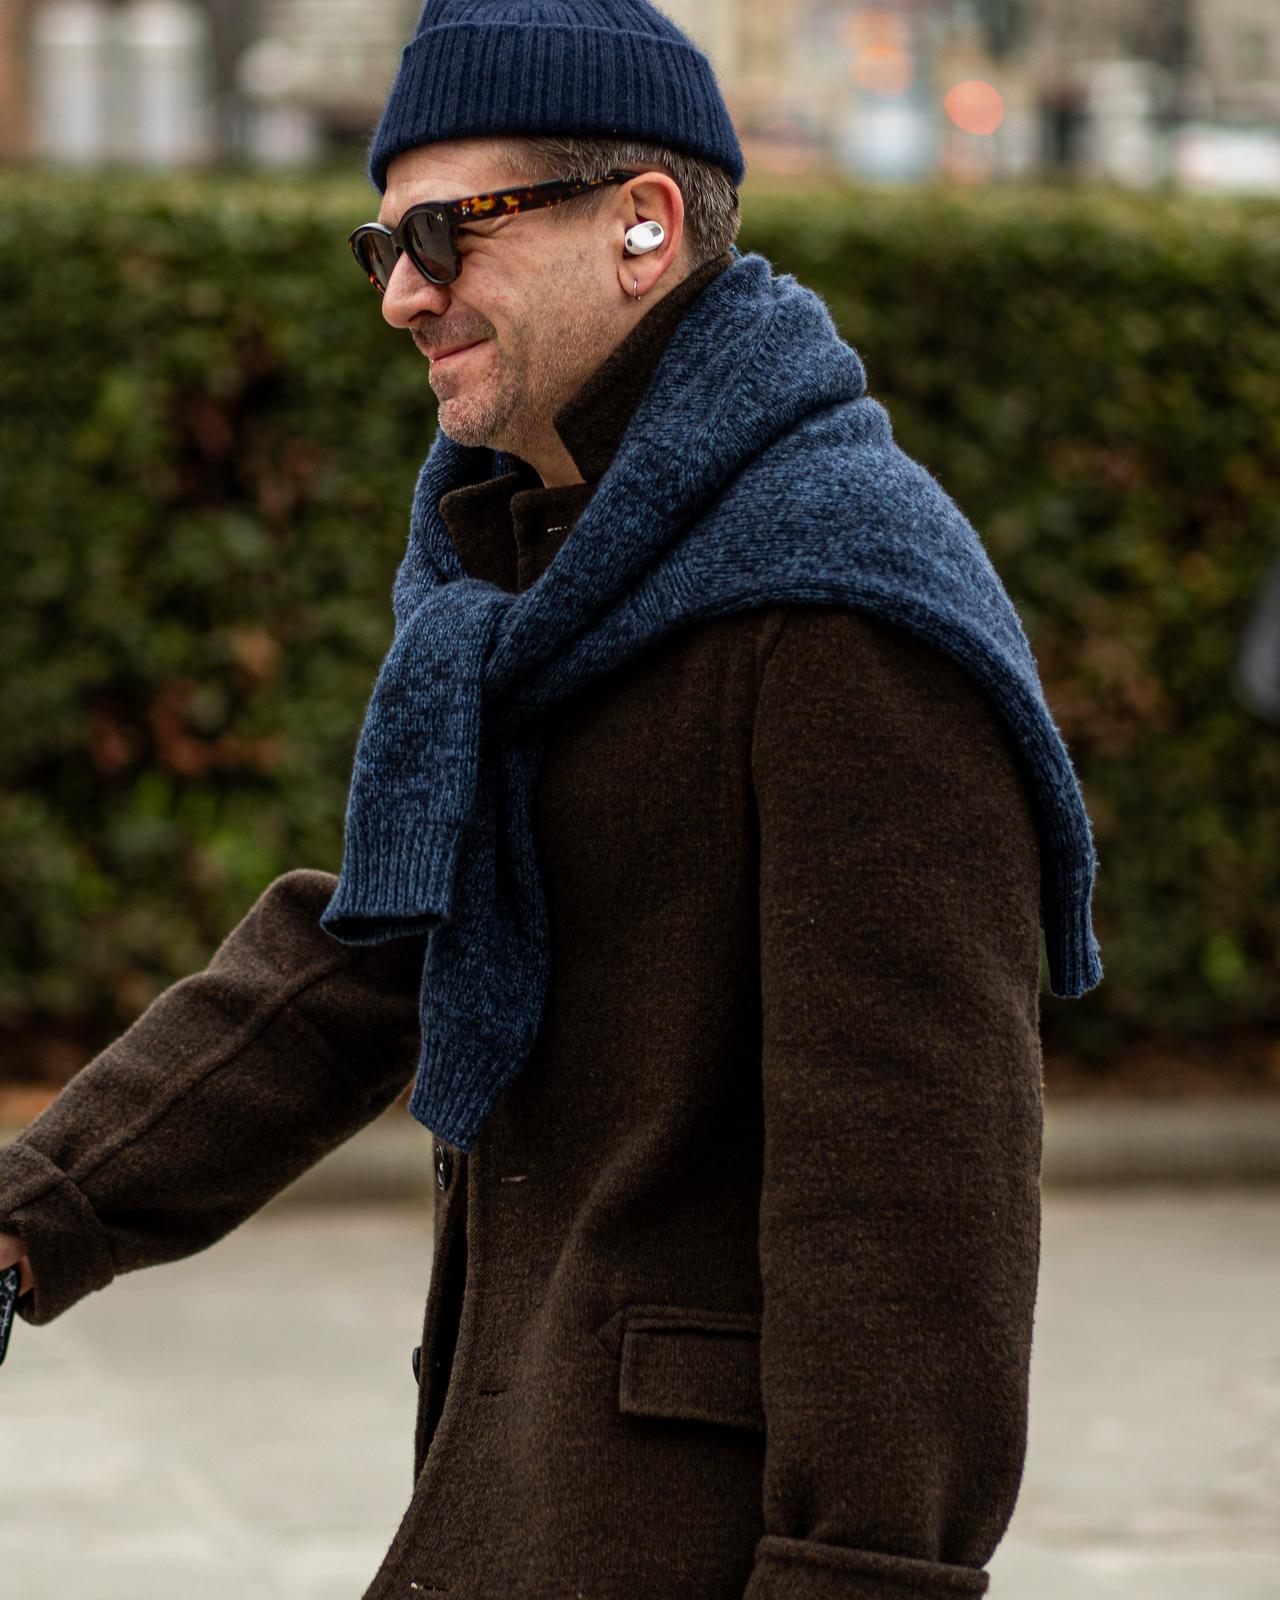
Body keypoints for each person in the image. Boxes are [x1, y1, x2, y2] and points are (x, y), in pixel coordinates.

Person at [0, 1, 1104, 1595]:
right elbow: (369, 948)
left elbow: (915, 1201)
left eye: (451, 230)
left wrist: (865, 1574)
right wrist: (37, 1214)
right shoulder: (520, 572)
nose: (400, 292)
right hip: (521, 1488)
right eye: (383, 239)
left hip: (695, 1539)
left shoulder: (845, 603)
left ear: (642, 223)